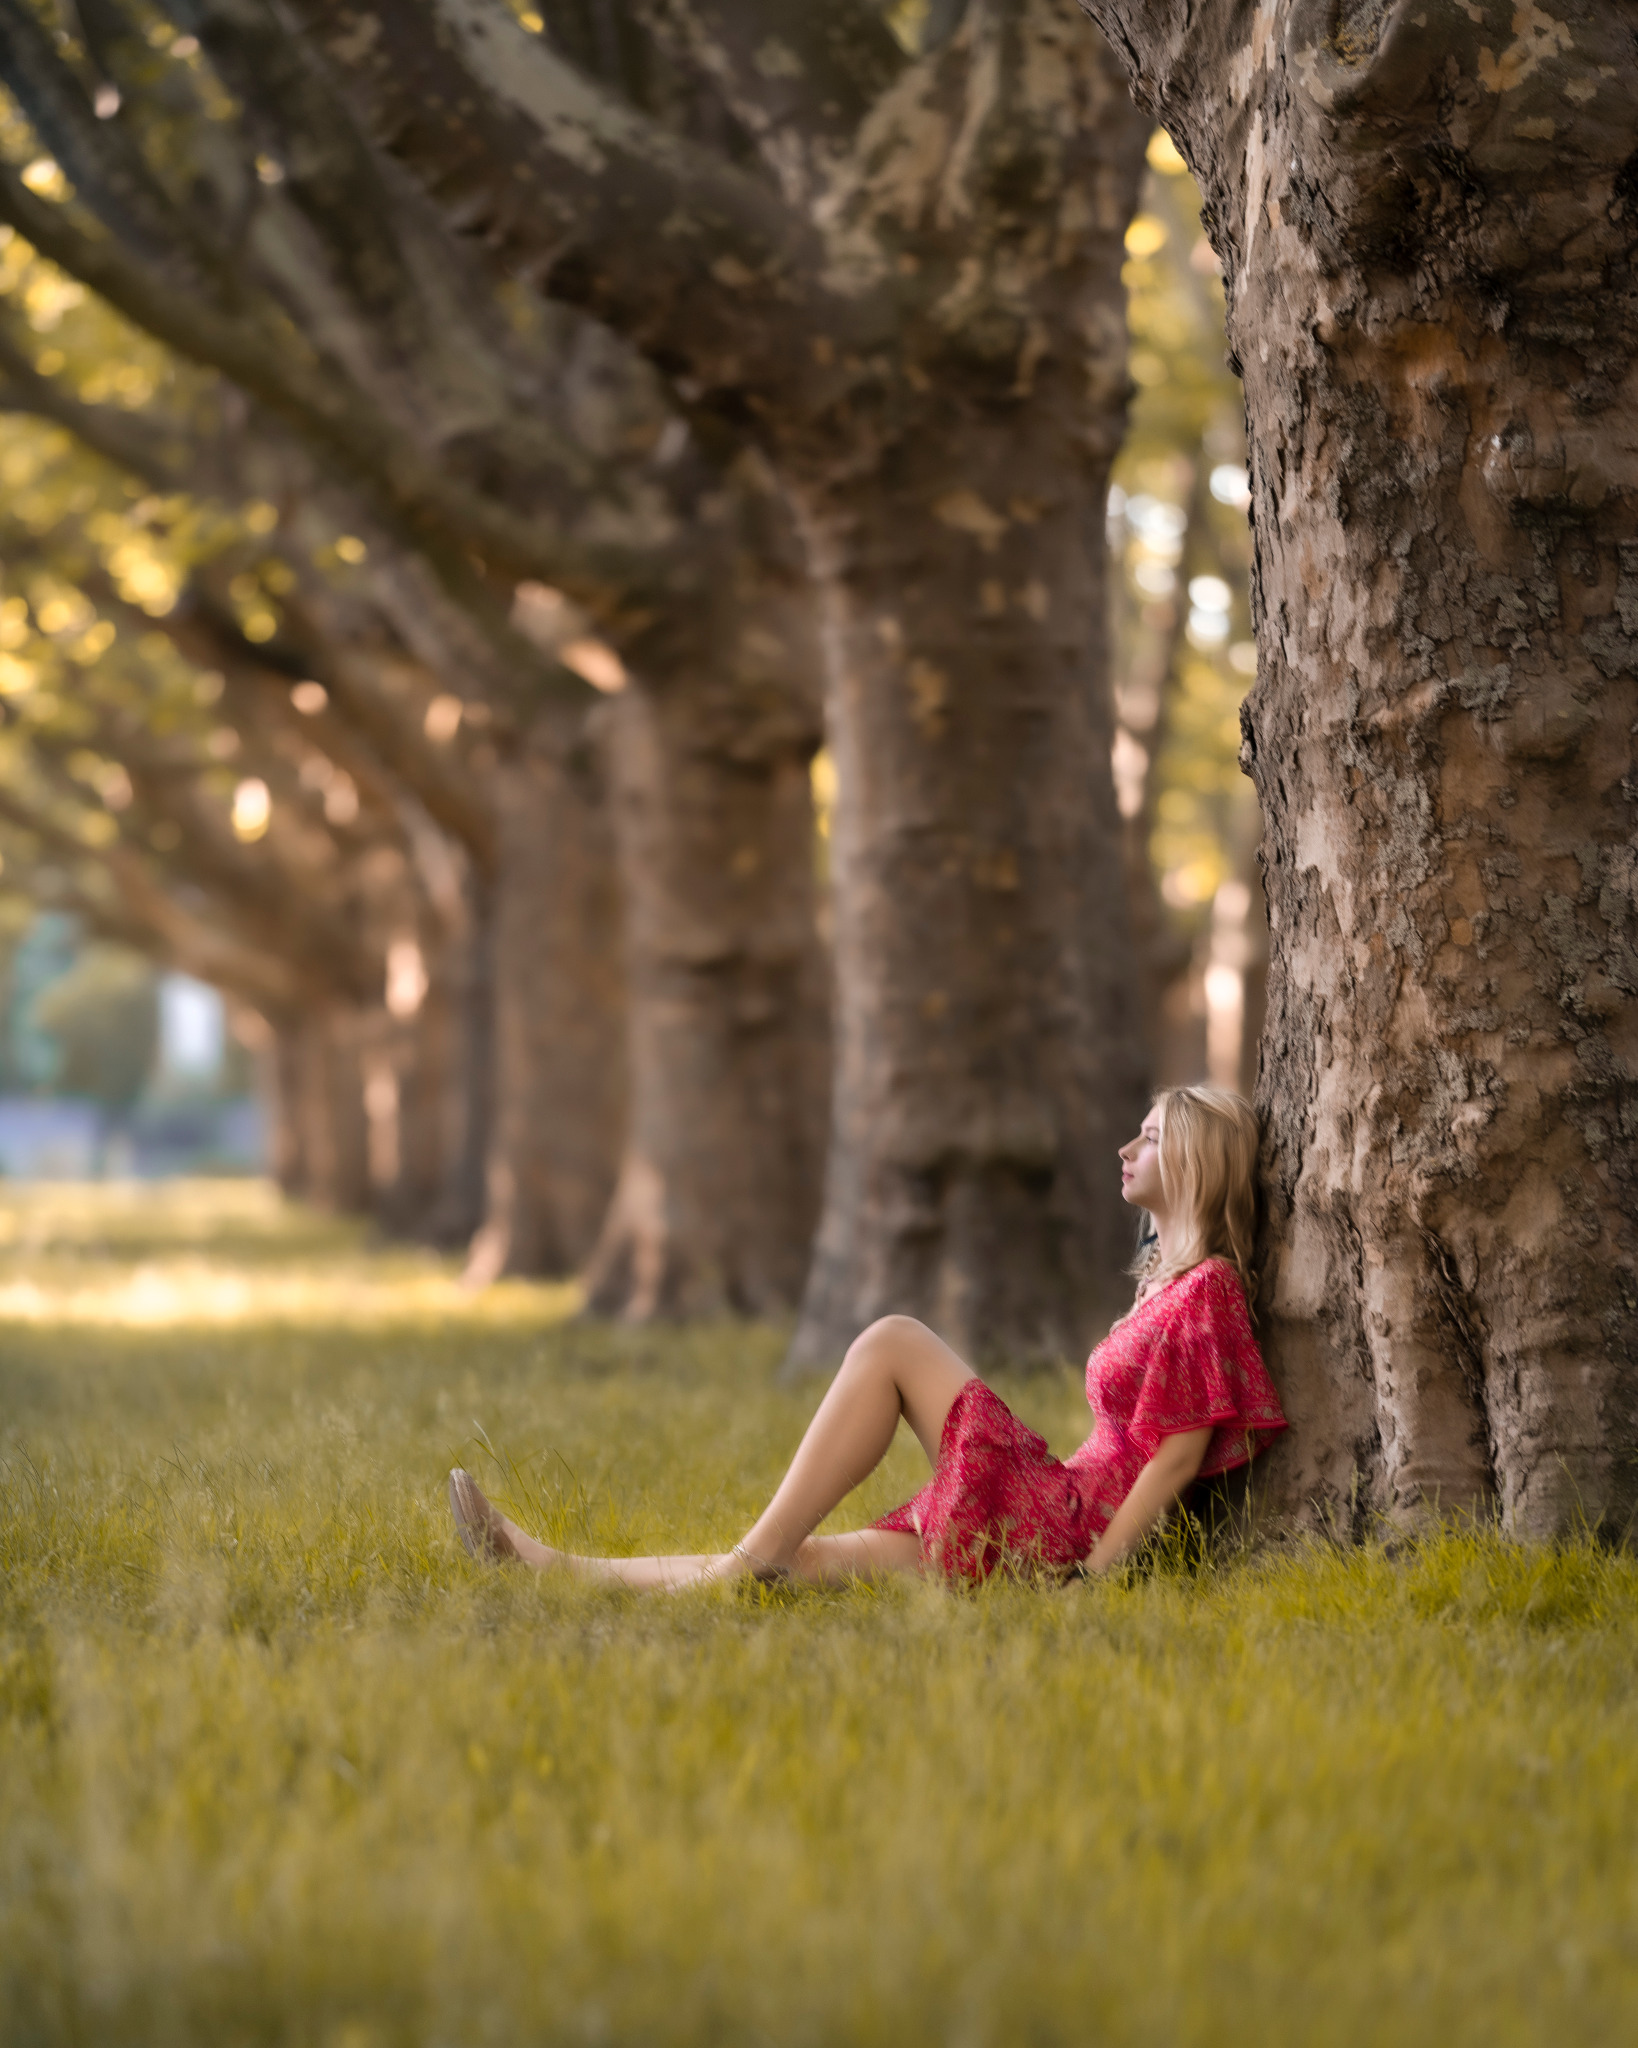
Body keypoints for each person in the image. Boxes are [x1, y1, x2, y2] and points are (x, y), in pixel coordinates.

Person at [448, 1085, 1287, 1589]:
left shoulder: (1207, 1288)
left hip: (1067, 1527)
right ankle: (557, 1571)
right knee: (801, 1560)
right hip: (1054, 1516)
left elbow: (1178, 1456)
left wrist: (1097, 1579)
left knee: (892, 1340)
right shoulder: (1166, 1286)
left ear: (1193, 1160)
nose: (1125, 1145)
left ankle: (733, 1575)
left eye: (1148, 1135)